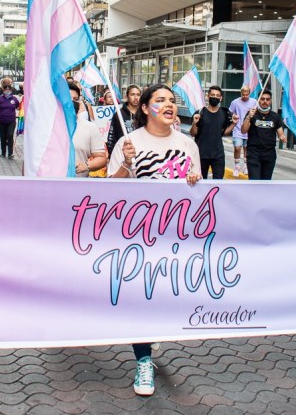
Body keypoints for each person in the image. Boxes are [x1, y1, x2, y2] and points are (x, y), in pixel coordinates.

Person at [108, 84, 201, 397]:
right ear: (146, 108)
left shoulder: (188, 144)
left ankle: (152, 330)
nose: (169, 105)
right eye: (160, 100)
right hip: (139, 235)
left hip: (176, 236)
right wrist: (125, 163)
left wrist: (194, 181)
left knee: (164, 296)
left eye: (172, 100)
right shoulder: (129, 142)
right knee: (141, 298)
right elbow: (110, 190)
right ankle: (143, 360)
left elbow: (198, 192)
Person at [189, 84, 235, 179]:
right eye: (213, 95)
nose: (215, 97)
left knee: (218, 182)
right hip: (201, 154)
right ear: (208, 96)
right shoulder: (200, 113)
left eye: (217, 95)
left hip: (218, 155)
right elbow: (193, 133)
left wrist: (234, 124)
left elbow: (224, 133)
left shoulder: (224, 113)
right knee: (201, 181)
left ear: (221, 98)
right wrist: (194, 123)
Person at [240, 90, 287, 180]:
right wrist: (249, 117)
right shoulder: (251, 114)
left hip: (269, 154)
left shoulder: (275, 116)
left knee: (266, 182)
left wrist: (282, 137)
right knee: (254, 181)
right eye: (262, 99)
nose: (265, 101)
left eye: (267, 99)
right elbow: (243, 130)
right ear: (258, 100)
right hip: (254, 154)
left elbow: (280, 133)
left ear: (271, 101)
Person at [68, 82, 108, 177]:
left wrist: (86, 166)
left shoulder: (89, 127)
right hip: (51, 184)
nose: (72, 102)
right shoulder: (48, 127)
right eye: (68, 99)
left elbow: (102, 158)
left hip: (79, 184)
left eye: (75, 99)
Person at [228, 86, 257, 175]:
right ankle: (237, 166)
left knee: (247, 148)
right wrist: (233, 116)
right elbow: (229, 112)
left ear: (249, 93)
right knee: (237, 147)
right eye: (243, 94)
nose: (245, 96)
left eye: (246, 94)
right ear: (240, 93)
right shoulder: (235, 102)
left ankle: (246, 165)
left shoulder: (254, 102)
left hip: (249, 129)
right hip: (237, 129)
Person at [107, 84, 141, 153]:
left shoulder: (145, 114)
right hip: (123, 153)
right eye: (132, 94)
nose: (136, 97)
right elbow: (112, 138)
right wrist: (112, 154)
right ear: (126, 96)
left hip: (142, 153)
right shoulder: (119, 115)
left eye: (138, 95)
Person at [0, 78, 21, 159]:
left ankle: (10, 153)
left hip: (11, 121)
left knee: (10, 135)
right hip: (1, 121)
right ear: (3, 90)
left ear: (11, 91)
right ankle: (3, 152)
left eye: (9, 90)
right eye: (6, 90)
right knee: (2, 136)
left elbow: (18, 107)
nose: (7, 91)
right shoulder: (0, 99)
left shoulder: (14, 99)